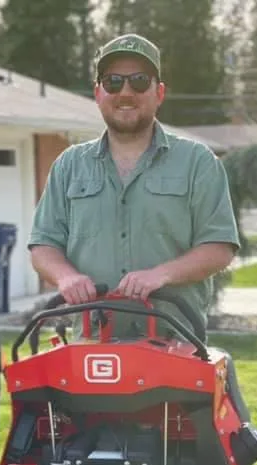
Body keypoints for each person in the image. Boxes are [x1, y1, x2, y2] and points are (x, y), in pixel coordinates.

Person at [28, 33, 240, 341]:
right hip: (92, 346)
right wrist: (66, 277)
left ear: (160, 92)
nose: (125, 92)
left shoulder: (198, 162)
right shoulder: (68, 165)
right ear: (98, 93)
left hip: (175, 345)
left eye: (139, 81)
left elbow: (219, 247)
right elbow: (43, 246)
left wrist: (160, 275)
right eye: (113, 82)